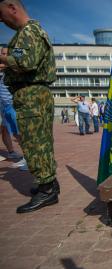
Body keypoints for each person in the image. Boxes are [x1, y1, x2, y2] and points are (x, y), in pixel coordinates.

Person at [0, 0, 60, 213]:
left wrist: (4, 58)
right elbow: (22, 60)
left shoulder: (29, 32)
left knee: (35, 143)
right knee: (39, 142)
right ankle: (48, 184)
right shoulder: (27, 33)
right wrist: (8, 61)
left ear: (11, 8)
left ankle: (47, 189)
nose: (1, 20)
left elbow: (27, 62)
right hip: (31, 93)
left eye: (1, 14)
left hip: (31, 94)